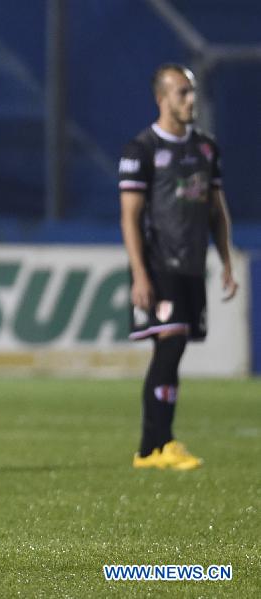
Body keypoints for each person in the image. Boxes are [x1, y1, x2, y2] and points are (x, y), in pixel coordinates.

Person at [119, 63, 238, 471]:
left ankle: (155, 447)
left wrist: (225, 260)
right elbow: (130, 217)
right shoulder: (143, 150)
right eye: (182, 93)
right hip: (158, 263)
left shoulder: (205, 148)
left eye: (192, 92)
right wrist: (139, 273)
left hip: (191, 265)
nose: (191, 100)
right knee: (170, 344)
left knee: (174, 348)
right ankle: (156, 445)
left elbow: (215, 211)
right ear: (162, 99)